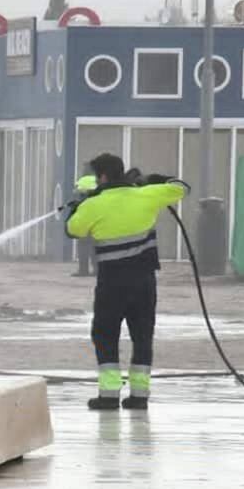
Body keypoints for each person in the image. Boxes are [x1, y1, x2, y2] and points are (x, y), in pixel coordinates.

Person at [65, 153, 189, 411]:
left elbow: (73, 230)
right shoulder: (146, 195)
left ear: (102, 176)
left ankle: (109, 396)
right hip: (144, 283)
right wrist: (151, 181)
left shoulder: (94, 205)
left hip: (112, 284)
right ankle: (140, 396)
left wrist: (79, 206)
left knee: (104, 334)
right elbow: (182, 187)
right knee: (143, 337)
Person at [72, 171, 98, 277]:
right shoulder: (93, 182)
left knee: (86, 246)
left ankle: (85, 270)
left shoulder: (85, 182)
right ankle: (92, 269)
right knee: (92, 247)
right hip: (93, 224)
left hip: (88, 224)